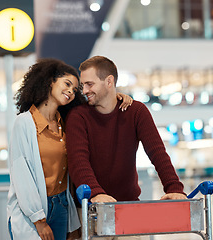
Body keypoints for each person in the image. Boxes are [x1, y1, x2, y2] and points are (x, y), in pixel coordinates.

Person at [6, 58, 133, 240]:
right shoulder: (24, 123)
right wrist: (39, 220)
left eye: (75, 90)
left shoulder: (65, 123)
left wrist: (118, 96)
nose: (71, 92)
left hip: (62, 207)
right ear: (50, 80)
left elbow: (97, 106)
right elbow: (21, 175)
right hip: (33, 213)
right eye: (67, 83)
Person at [66, 56, 186, 206]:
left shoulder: (136, 111)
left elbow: (157, 152)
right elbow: (78, 160)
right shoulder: (78, 116)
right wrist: (96, 193)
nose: (84, 91)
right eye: (83, 85)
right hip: (90, 206)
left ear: (109, 82)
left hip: (128, 205)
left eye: (89, 84)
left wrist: (174, 187)